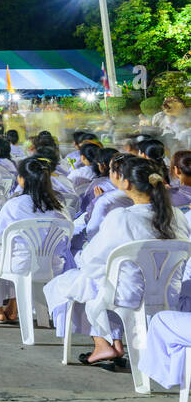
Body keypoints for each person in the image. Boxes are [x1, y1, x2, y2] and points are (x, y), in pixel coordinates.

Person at [44, 156, 190, 366]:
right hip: (169, 293)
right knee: (95, 281)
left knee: (68, 283)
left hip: (128, 295)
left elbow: (92, 259)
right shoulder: (177, 216)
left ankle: (103, 343)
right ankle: (115, 343)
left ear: (126, 183)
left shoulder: (121, 217)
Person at [0, 157, 74, 324]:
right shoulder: (59, 208)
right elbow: (65, 242)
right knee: (13, 255)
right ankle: (13, 307)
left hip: (20, 264)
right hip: (51, 265)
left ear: (22, 180)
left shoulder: (14, 205)